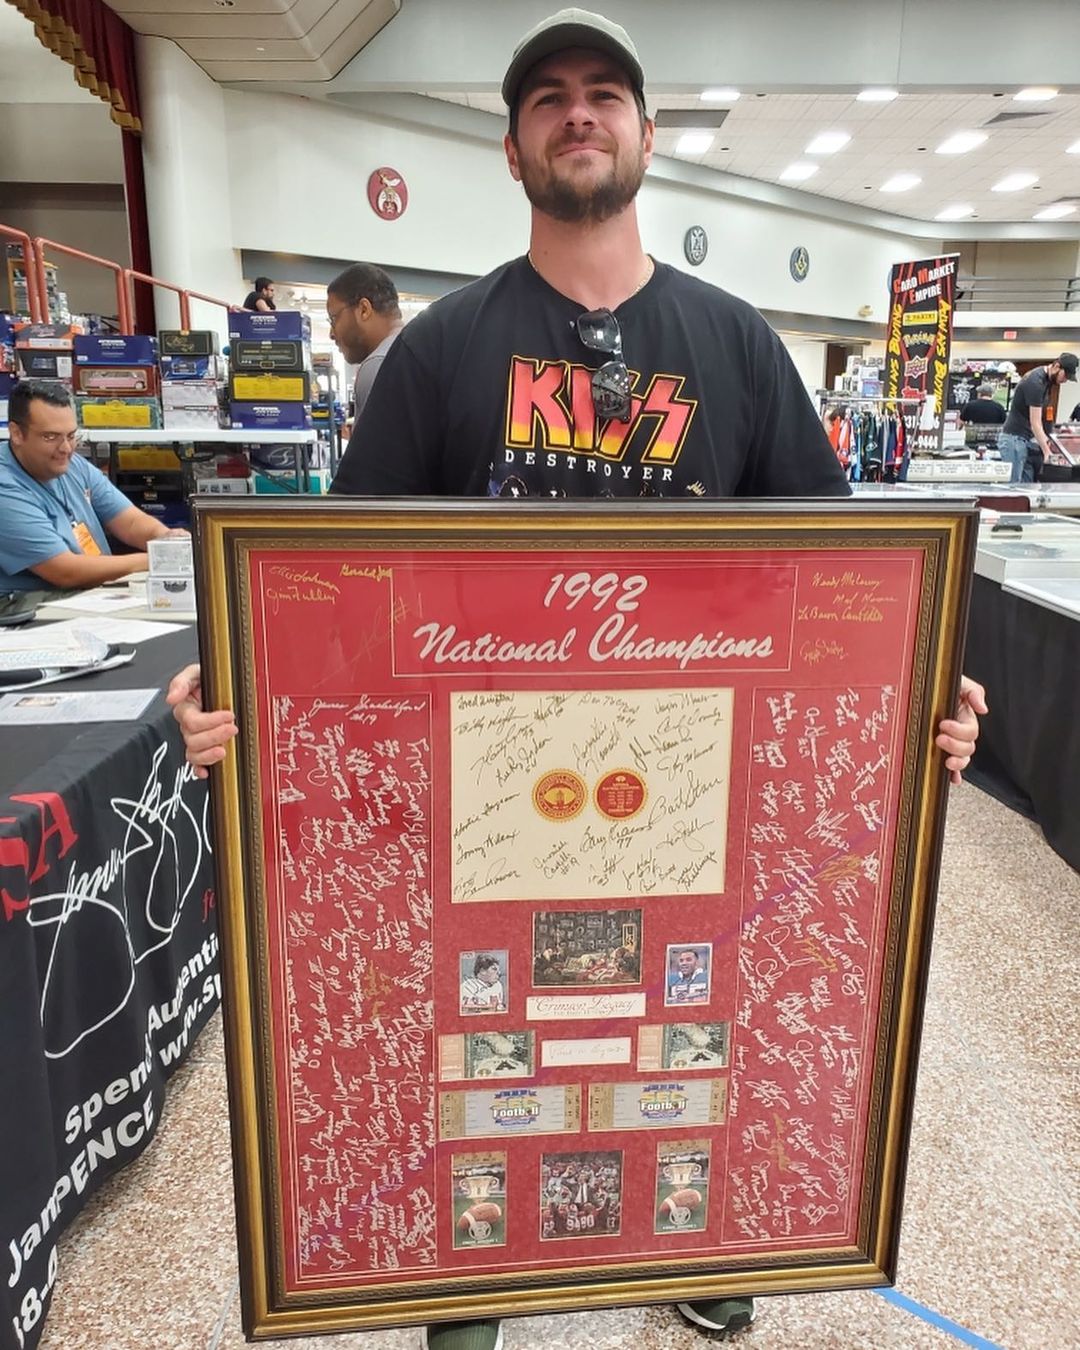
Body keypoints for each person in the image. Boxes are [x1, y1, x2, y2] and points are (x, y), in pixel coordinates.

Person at [169, 9, 986, 1347]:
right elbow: (337, 588)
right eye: (547, 97)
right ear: (512, 148)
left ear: (649, 135)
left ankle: (699, 1238)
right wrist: (233, 679)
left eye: (605, 93)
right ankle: (468, 1276)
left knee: (686, 1012)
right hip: (485, 782)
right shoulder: (441, 349)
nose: (578, 113)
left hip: (696, 778)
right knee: (486, 1018)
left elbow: (848, 586)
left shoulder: (738, 346)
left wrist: (925, 693)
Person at [0, 380, 185, 593]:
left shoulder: (71, 464)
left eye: (71, 436)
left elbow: (130, 522)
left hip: (90, 596)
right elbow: (64, 571)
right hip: (32, 605)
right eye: (50, 437)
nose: (66, 448)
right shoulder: (5, 487)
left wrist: (166, 539)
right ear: (16, 433)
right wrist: (156, 559)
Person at [325, 262, 403, 417]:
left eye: (333, 319)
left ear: (364, 310)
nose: (331, 334)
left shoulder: (378, 366)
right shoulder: (419, 351)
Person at [998, 352, 1078, 483]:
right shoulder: (1036, 382)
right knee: (1013, 486)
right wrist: (1047, 452)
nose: (1065, 380)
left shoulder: (1047, 381)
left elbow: (1044, 418)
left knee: (1026, 486)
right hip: (1014, 439)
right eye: (1065, 376)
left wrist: (1053, 436)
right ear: (1057, 366)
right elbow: (1035, 423)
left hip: (1025, 440)